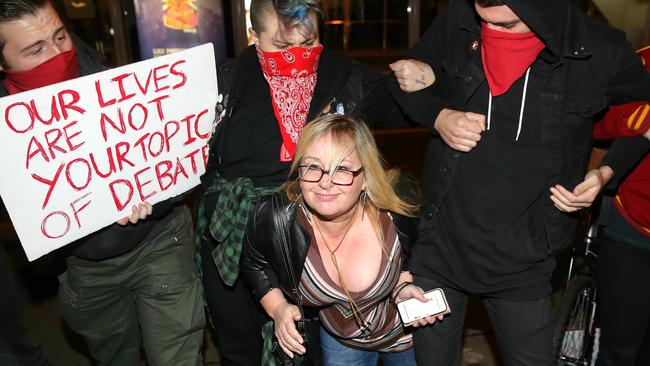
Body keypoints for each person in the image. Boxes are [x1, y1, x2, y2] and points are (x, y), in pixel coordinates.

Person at [388, 0, 650, 364]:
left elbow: (643, 113)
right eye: (485, 23)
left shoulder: (599, 48)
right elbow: (402, 82)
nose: (492, 33)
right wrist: (439, 115)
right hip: (440, 248)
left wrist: (606, 172)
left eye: (508, 26)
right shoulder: (460, 19)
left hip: (525, 260)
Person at [196, 1, 410, 364]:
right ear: (254, 37)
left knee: (303, 346)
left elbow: (401, 110)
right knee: (238, 344)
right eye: (282, 47)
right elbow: (169, 151)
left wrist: (420, 85)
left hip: (307, 230)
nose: (297, 55)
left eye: (308, 43)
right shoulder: (222, 79)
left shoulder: (344, 75)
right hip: (231, 231)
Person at [0, 1, 205, 365]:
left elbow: (174, 159)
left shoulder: (108, 78)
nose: (59, 53)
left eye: (60, 35)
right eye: (36, 49)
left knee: (178, 357)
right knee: (115, 357)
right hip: (86, 268)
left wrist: (152, 196)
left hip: (159, 242)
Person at [241, 114, 437, 365]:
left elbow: (427, 253)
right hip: (340, 341)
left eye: (342, 169)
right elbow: (253, 261)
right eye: (313, 167)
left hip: (405, 336)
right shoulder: (276, 219)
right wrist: (278, 309)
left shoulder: (397, 214)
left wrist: (406, 282)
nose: (325, 183)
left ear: (366, 178)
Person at [593, 46, 650, 366]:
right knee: (620, 352)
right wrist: (644, 117)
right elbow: (598, 122)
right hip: (634, 227)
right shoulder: (639, 63)